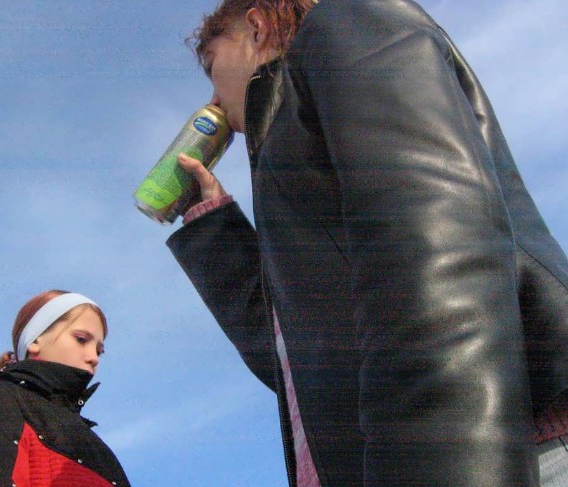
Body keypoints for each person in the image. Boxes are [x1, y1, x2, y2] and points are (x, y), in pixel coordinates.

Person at [165, 1, 568, 486]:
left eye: (213, 66)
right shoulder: (289, 147)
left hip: (508, 452)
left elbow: (440, 261)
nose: (213, 97)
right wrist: (211, 220)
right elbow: (302, 359)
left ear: (256, 26)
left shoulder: (345, 27)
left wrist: (438, 464)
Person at [0, 290, 131, 487]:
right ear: (35, 340)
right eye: (81, 339)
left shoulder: (97, 448)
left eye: (99, 351)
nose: (94, 358)